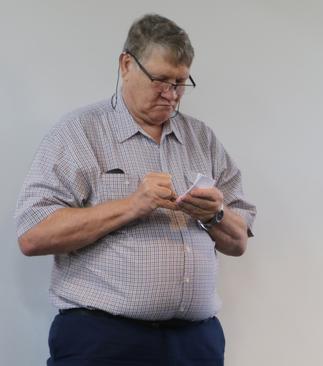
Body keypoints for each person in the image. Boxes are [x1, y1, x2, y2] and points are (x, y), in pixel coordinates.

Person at [15, 14, 256, 366]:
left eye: (180, 83)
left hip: (194, 344)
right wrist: (131, 206)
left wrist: (216, 215)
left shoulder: (202, 139)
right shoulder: (78, 133)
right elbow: (32, 235)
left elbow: (239, 242)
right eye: (160, 80)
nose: (171, 95)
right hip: (104, 343)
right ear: (126, 64)